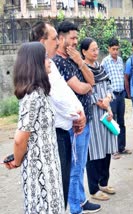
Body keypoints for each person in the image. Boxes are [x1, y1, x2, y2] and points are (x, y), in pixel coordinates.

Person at [29, 21, 86, 209]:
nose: (57, 42)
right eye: (54, 39)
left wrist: (80, 113)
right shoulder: (37, 68)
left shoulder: (50, 63)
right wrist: (77, 115)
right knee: (56, 188)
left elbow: (66, 93)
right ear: (41, 41)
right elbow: (57, 98)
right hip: (53, 135)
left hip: (63, 132)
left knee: (62, 186)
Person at [4, 42, 64, 213]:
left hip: (49, 170)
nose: (49, 61)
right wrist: (16, 160)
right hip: (40, 175)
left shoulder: (40, 93)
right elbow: (20, 138)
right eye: (45, 57)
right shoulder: (33, 97)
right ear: (35, 63)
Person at [53, 21, 101, 214]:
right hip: (74, 124)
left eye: (76, 38)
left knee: (80, 165)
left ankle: (81, 200)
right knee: (75, 167)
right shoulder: (58, 62)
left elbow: (92, 80)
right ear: (61, 38)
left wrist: (81, 63)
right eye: (72, 38)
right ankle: (75, 208)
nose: (74, 42)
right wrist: (88, 86)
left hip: (86, 119)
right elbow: (82, 87)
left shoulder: (73, 59)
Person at [80, 37, 118, 201]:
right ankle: (94, 189)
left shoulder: (100, 68)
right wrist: (99, 102)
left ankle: (104, 182)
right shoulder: (82, 70)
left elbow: (109, 85)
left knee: (107, 149)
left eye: (97, 49)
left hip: (106, 112)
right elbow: (84, 91)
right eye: (92, 50)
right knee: (94, 151)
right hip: (93, 115)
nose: (96, 52)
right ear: (84, 52)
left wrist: (108, 98)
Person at [101, 38, 131, 155]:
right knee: (111, 121)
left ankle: (121, 147)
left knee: (121, 122)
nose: (115, 51)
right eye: (113, 49)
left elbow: (123, 76)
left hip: (120, 95)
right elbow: (103, 80)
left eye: (117, 49)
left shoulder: (119, 61)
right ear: (109, 49)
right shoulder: (105, 62)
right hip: (111, 96)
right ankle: (112, 149)